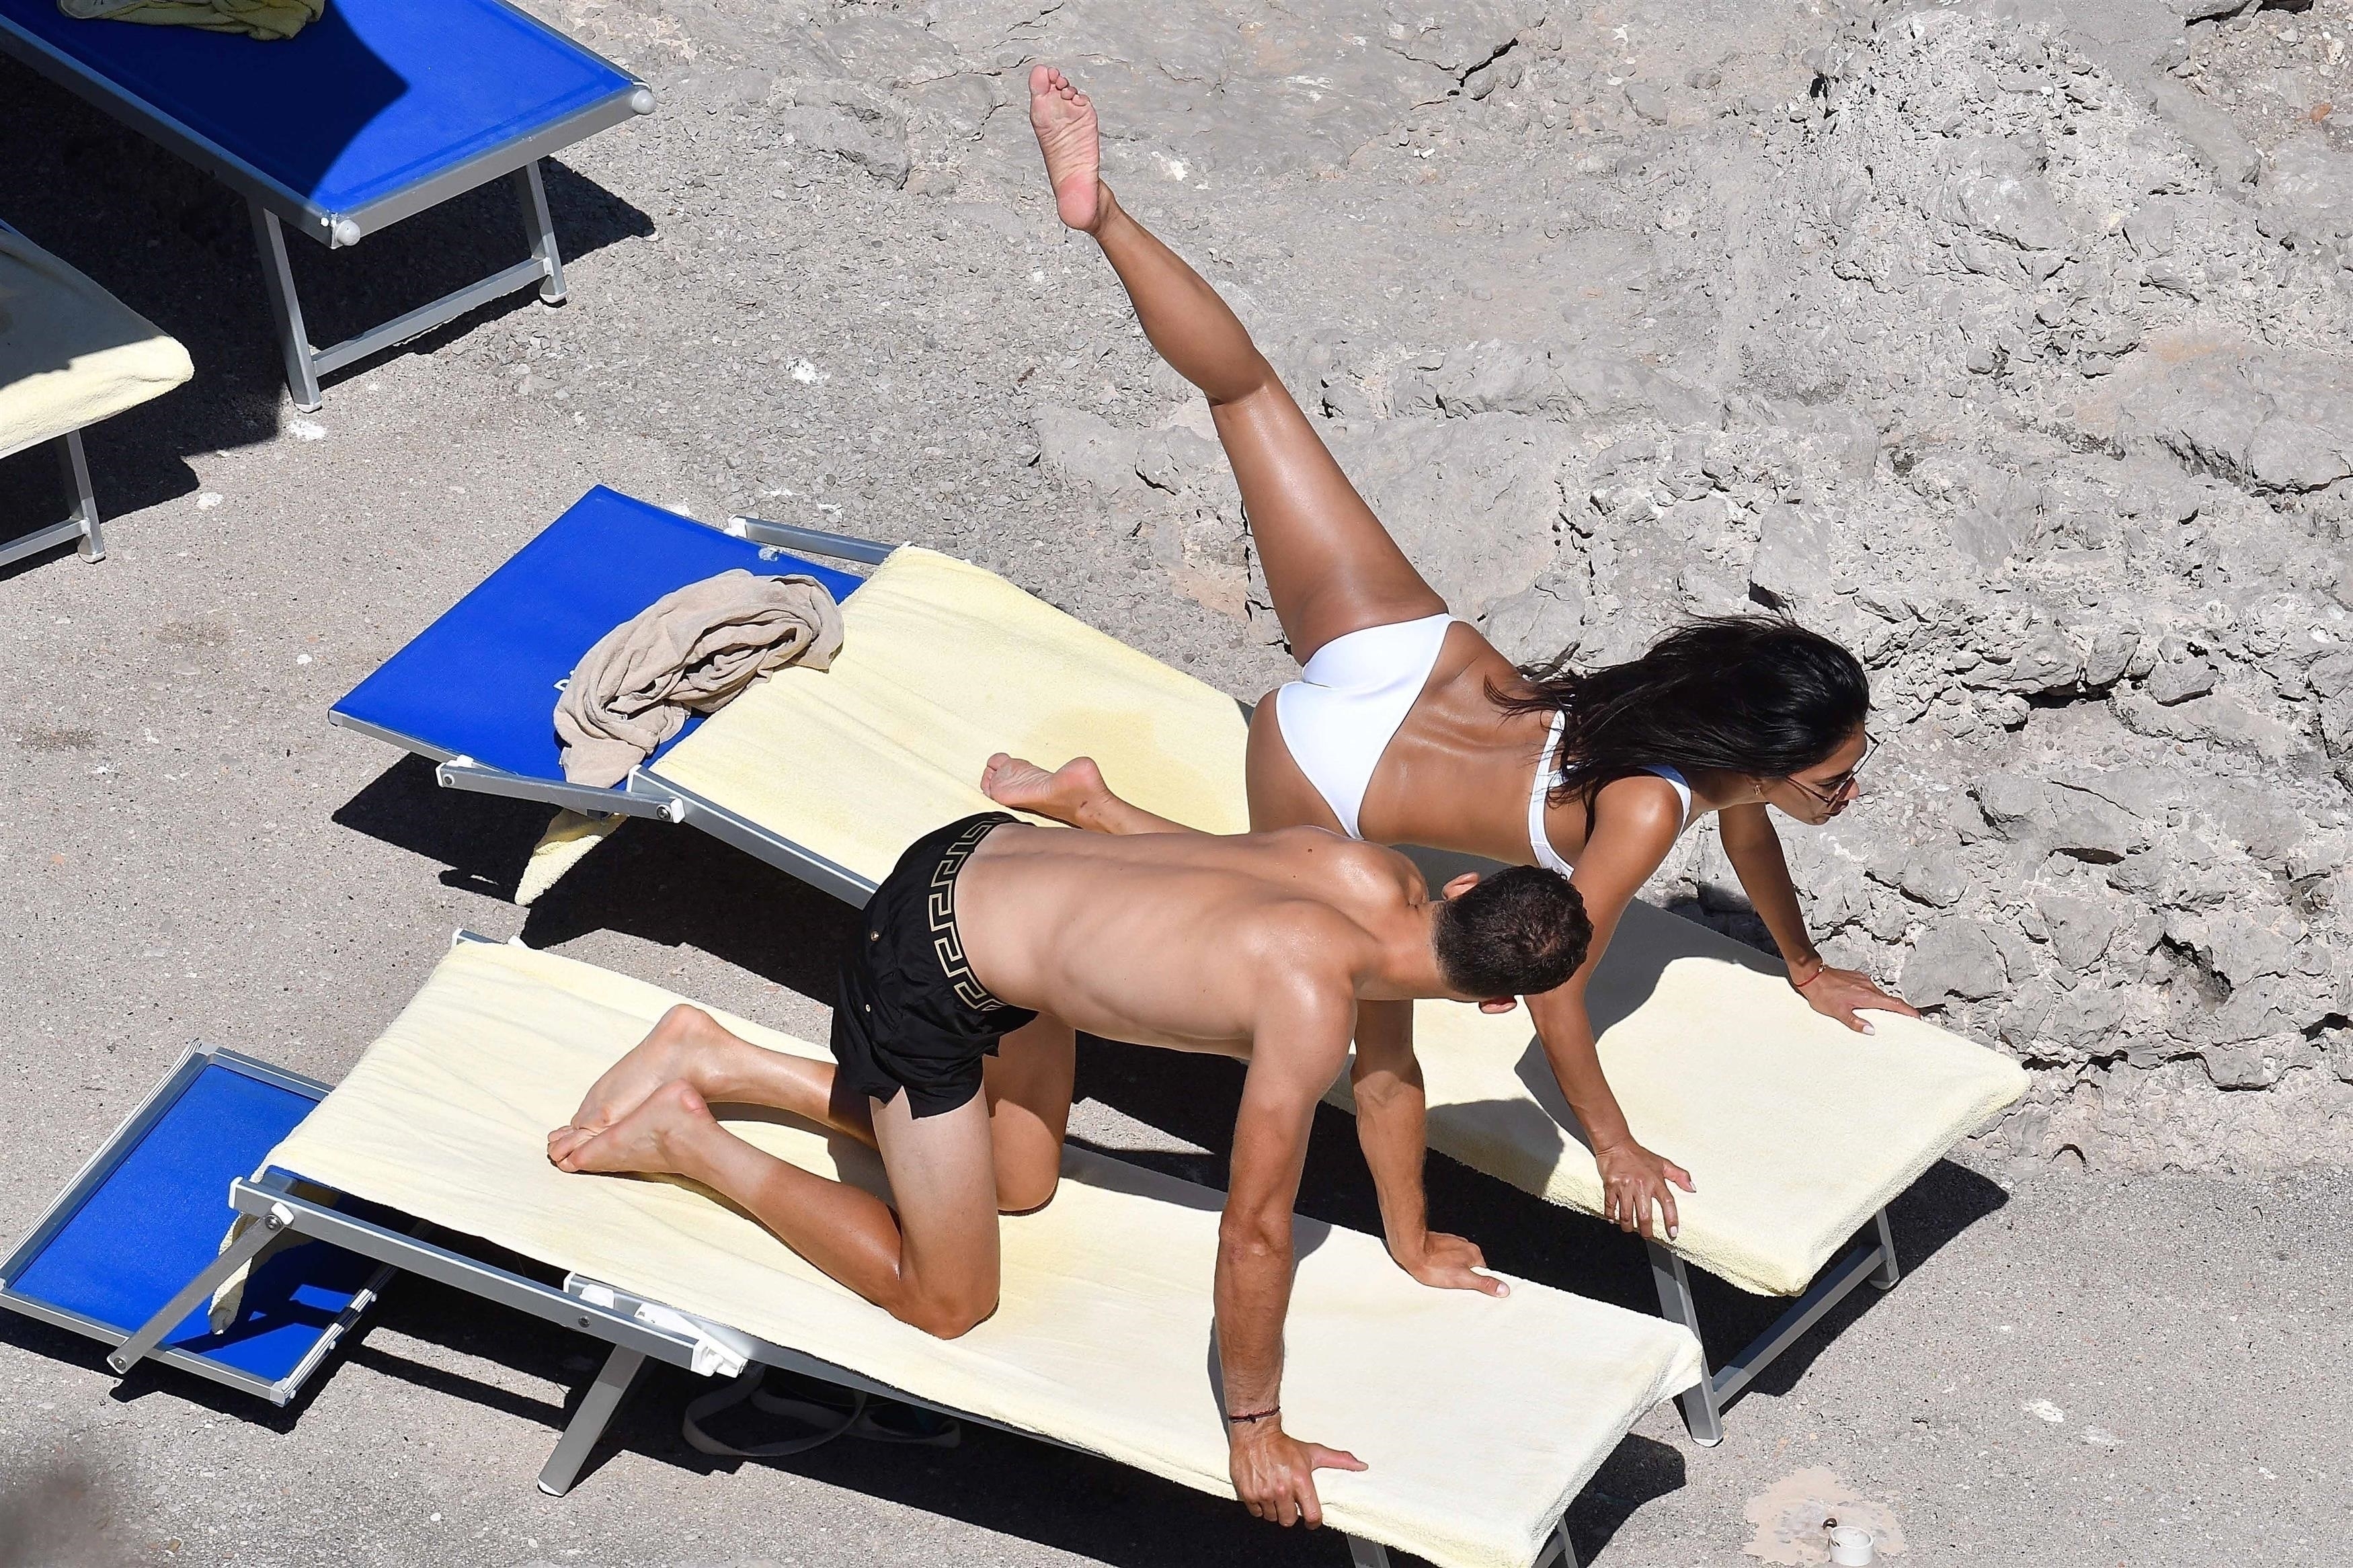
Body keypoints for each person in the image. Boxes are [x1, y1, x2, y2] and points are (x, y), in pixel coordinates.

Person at [1014, 64, 1922, 1245]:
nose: (1848, 793)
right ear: (1758, 757)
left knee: (1248, 395)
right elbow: (1555, 985)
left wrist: (1803, 963)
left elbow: (1750, 827)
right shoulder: (1651, 809)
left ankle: (1104, 217)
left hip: (1409, 650)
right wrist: (1614, 1142)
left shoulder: (1695, 735)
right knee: (1295, 956)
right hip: (1331, 767)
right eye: (1834, 780)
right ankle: (1099, 814)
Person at [547, 803, 1591, 1530]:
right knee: (949, 1296)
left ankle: (715, 1054)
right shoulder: (1311, 1000)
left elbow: (1390, 1076)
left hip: (983, 856)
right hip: (922, 968)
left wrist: (1411, 1238)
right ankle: (689, 1136)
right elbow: (1255, 1227)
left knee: (1020, 1181)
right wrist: (1256, 1429)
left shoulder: (1379, 873)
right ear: (1497, 1001)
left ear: (1463, 888)